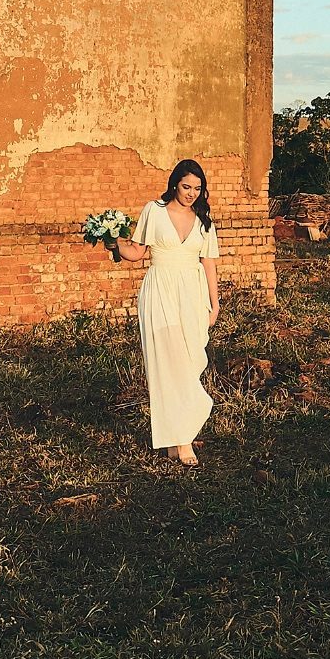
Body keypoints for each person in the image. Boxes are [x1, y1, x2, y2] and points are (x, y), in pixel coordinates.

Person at [112, 159, 221, 465]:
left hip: (192, 295)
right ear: (175, 184)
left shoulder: (204, 221)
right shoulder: (154, 211)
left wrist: (214, 303)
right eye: (186, 186)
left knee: (190, 362)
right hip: (160, 292)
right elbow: (136, 252)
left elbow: (209, 263)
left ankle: (176, 437)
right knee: (168, 365)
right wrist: (113, 242)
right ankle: (183, 441)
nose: (191, 193)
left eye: (197, 188)